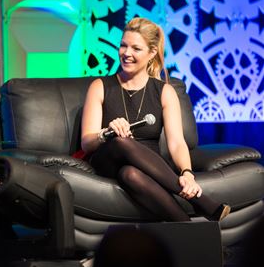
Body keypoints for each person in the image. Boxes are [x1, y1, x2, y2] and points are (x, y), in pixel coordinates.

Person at [80, 17, 230, 222]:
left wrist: (187, 173)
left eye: (136, 48)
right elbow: (87, 142)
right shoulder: (100, 86)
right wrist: (107, 132)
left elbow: (177, 143)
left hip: (148, 165)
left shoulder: (164, 91)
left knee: (130, 175)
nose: (126, 53)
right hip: (108, 158)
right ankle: (200, 201)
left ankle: (190, 229)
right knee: (122, 142)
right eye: (123, 46)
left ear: (151, 53)